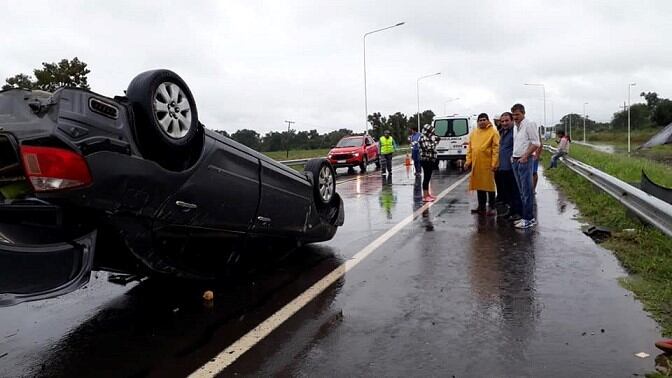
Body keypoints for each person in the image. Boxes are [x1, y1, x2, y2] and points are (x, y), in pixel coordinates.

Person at [511, 103, 541, 229]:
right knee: (521, 191)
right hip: (516, 160)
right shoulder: (515, 127)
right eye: (513, 115)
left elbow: (536, 143)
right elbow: (518, 143)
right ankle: (526, 217)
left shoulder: (529, 124)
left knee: (527, 191)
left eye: (517, 114)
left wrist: (525, 156)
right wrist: (513, 156)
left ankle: (528, 218)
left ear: (523, 113)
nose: (515, 117)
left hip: (525, 160)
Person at [464, 113, 500, 215]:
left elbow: (496, 149)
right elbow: (470, 149)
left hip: (488, 164)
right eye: (480, 120)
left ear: (488, 120)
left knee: (489, 187)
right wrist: (468, 161)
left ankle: (492, 207)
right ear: (477, 122)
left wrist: (494, 163)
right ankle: (481, 206)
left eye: (484, 119)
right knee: (479, 186)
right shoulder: (474, 133)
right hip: (477, 164)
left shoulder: (493, 132)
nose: (482, 122)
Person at [495, 112, 522, 220]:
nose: (504, 123)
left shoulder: (515, 133)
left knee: (515, 191)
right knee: (507, 193)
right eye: (502, 121)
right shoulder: (501, 132)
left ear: (512, 120)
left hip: (512, 167)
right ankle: (511, 211)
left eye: (507, 121)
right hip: (502, 167)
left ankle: (518, 212)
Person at [418, 123, 440, 202]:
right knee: (426, 178)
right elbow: (427, 148)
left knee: (428, 177)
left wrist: (435, 141)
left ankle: (428, 194)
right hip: (425, 160)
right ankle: (425, 196)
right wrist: (435, 142)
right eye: (431, 131)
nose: (432, 133)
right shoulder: (423, 138)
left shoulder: (428, 137)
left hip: (430, 159)